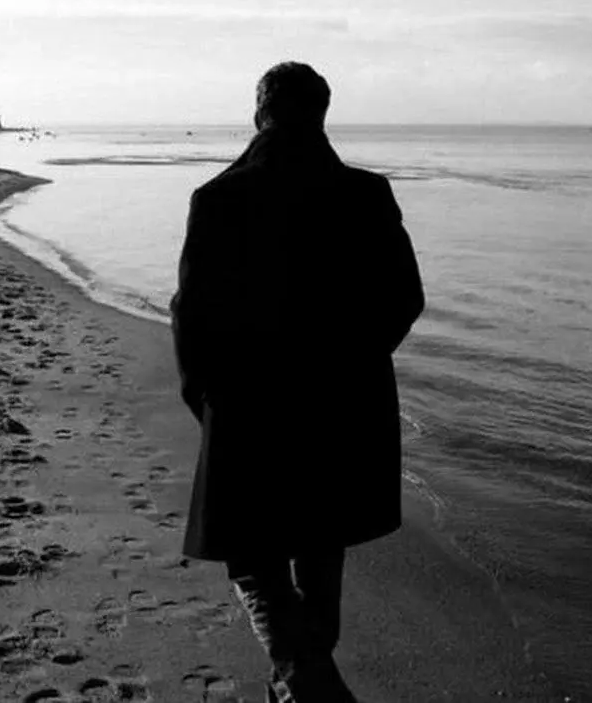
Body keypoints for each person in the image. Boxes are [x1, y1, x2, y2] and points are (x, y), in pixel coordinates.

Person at [170, 61, 424, 702]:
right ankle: (305, 687)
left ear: (259, 113)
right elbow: (405, 297)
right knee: (320, 551)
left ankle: (311, 690)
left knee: (254, 561)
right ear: (322, 114)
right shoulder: (365, 193)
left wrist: (205, 398)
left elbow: (193, 316)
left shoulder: (219, 198)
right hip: (344, 405)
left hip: (248, 406)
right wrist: (358, 361)